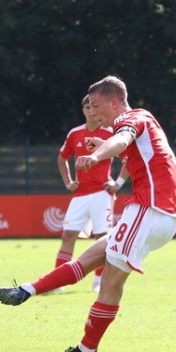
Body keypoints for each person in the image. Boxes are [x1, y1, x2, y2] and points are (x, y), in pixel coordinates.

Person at [0, 75, 176, 352]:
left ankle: (86, 350)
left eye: (96, 106)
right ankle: (26, 290)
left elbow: (123, 139)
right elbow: (130, 146)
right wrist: (102, 142)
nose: (93, 112)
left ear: (114, 102)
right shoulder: (141, 123)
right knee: (92, 256)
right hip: (154, 213)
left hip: (151, 210)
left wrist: (97, 155)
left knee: (111, 280)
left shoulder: (132, 117)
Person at [56, 95, 115, 292]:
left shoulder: (109, 133)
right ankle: (58, 282)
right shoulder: (75, 134)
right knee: (68, 235)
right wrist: (68, 182)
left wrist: (118, 181)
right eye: (87, 107)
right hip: (80, 194)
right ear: (83, 110)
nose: (91, 110)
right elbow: (62, 158)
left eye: (94, 107)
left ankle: (98, 283)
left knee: (103, 238)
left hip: (101, 193)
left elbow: (127, 158)